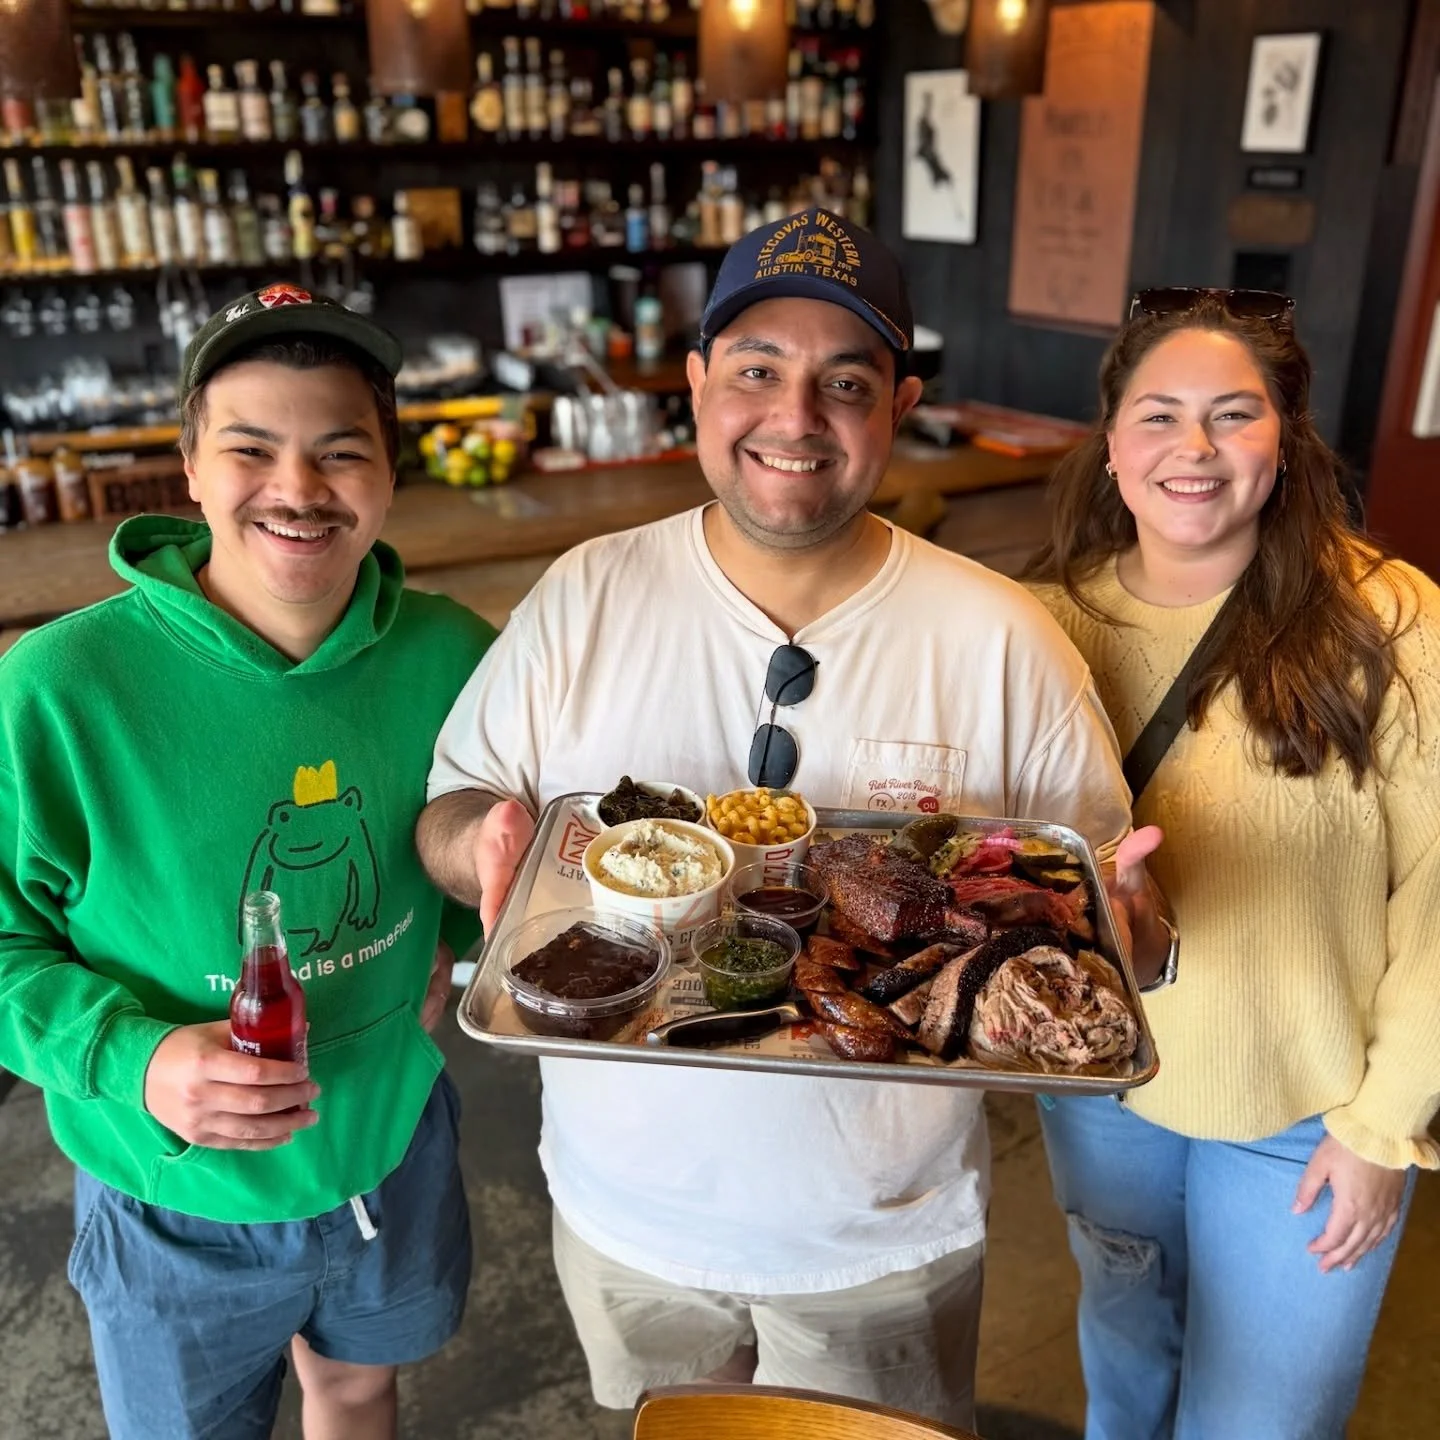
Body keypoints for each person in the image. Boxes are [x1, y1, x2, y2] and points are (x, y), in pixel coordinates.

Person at [417, 211, 1160, 1429]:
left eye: (846, 381)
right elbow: (454, 805)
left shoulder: (1002, 636)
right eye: (757, 369)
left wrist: (1136, 929)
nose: (794, 416)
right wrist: (484, 847)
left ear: (900, 402)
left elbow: (1105, 916)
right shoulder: (584, 594)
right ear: (700, 384)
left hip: (882, 1236)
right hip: (628, 1215)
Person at [0, 284, 496, 1440]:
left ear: (387, 468)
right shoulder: (59, 688)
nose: (299, 489)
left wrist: (458, 939)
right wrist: (138, 1057)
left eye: (340, 451)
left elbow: (476, 872)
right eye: (251, 448)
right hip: (169, 1183)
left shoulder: (456, 653)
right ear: (186, 466)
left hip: (389, 1145)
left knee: (360, 1387)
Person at [1025, 286, 1440, 1439]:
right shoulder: (1039, 621)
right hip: (1105, 1084)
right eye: (1158, 416)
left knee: (1261, 1415)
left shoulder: (1388, 623)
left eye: (1233, 415)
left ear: (1286, 443)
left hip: (1308, 1113)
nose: (1192, 449)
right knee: (1125, 1355)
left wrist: (1384, 1130)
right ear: (1111, 446)